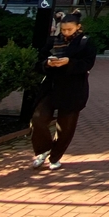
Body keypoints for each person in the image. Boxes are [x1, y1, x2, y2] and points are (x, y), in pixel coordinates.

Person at [30, 10, 97, 170]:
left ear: (78, 27)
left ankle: (55, 157)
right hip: (51, 87)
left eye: (69, 30)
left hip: (73, 90)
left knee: (65, 127)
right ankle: (43, 149)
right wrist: (47, 63)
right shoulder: (52, 41)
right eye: (64, 29)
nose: (66, 33)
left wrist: (69, 62)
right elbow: (38, 61)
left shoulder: (85, 43)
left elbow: (87, 64)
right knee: (37, 119)